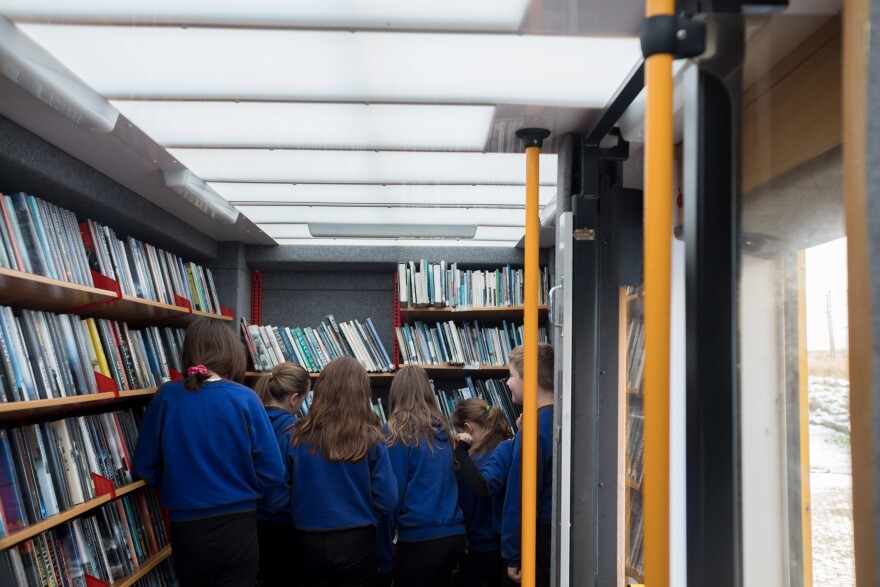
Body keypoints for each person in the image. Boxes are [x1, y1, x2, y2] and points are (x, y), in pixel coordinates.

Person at [133, 318, 288, 587]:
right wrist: (273, 506)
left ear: (188, 352)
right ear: (231, 353)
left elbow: (144, 467)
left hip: (187, 527)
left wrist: (178, 482)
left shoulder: (167, 397)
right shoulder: (245, 398)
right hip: (238, 526)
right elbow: (272, 470)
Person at [285, 356, 398, 587]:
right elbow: (388, 500)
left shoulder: (293, 436)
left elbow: (278, 494)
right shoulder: (372, 438)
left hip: (306, 540)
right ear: (362, 393)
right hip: (357, 541)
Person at [456, 343, 555, 586]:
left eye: (511, 375)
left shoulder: (532, 430)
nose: (508, 383)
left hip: (536, 540)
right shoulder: (556, 420)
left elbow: (520, 495)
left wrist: (512, 554)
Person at [378, 365, 466, 587]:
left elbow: (392, 495)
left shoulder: (396, 431)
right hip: (454, 534)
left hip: (420, 538)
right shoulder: (443, 430)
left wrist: (384, 554)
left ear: (396, 392)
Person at [253, 362, 311, 587]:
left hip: (246, 523)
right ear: (294, 399)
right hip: (285, 526)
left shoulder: (248, 420)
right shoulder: (297, 431)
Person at [451, 398, 514, 587]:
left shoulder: (473, 462)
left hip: (481, 545)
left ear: (467, 428)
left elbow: (466, 505)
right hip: (505, 545)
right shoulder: (506, 448)